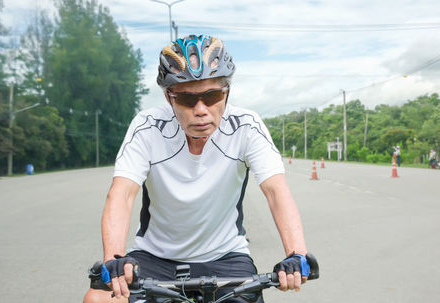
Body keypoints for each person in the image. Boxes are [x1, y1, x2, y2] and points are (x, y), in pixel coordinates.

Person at [83, 35, 312, 303]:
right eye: (187, 100)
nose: (201, 110)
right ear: (170, 98)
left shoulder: (247, 126)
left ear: (226, 92)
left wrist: (296, 255)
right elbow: (121, 194)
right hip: (154, 257)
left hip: (226, 256)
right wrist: (113, 259)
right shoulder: (147, 127)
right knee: (97, 299)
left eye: (212, 95)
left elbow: (276, 192)